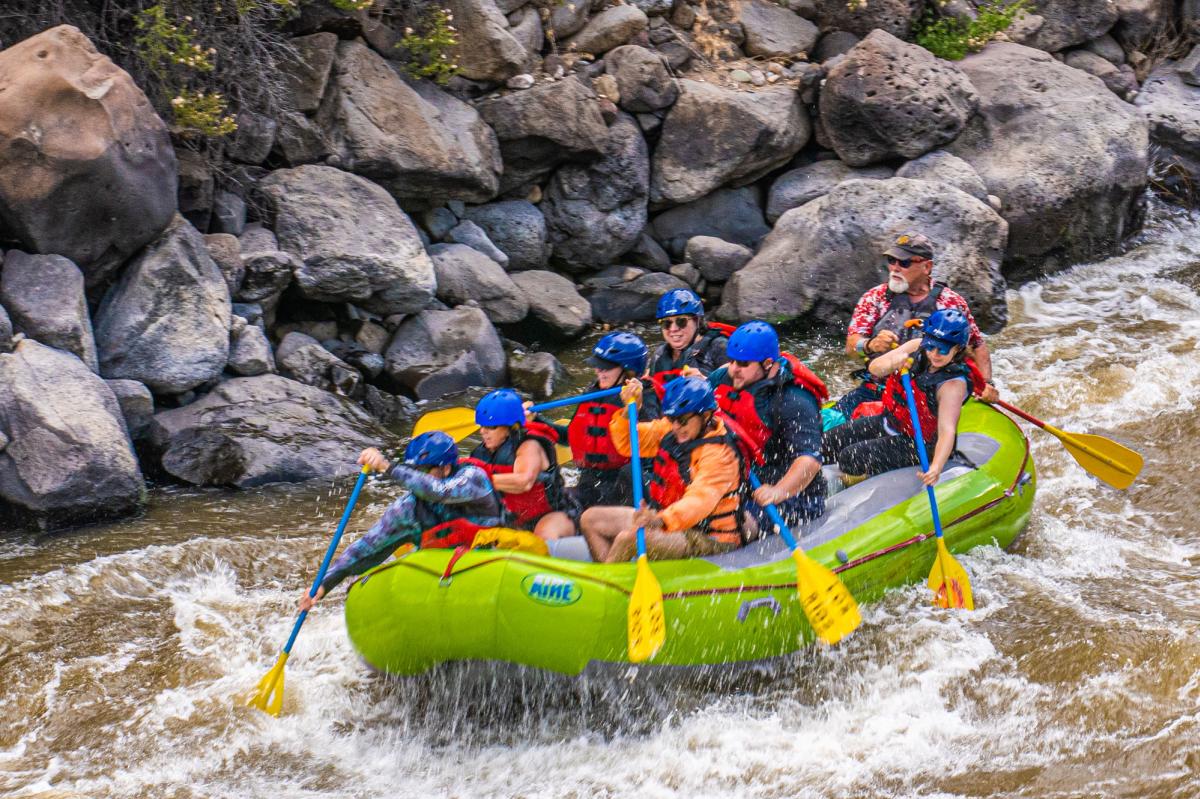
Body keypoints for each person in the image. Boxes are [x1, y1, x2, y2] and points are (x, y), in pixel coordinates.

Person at [298, 432, 506, 611]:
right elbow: (365, 548)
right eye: (413, 471)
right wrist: (324, 585)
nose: (415, 478)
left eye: (423, 471)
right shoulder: (407, 510)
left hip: (491, 565)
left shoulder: (472, 479)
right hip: (444, 581)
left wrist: (386, 466)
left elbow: (437, 491)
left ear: (446, 469)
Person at [833, 231, 998, 420]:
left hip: (927, 396)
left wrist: (986, 383)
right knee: (826, 428)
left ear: (926, 267)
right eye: (891, 261)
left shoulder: (950, 302)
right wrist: (870, 345)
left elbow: (976, 345)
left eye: (904, 263)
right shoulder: (874, 298)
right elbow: (851, 346)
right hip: (877, 389)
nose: (895, 268)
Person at [579, 376, 744, 562]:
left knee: (629, 539)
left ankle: (606, 586)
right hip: (670, 523)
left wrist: (659, 520)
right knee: (590, 519)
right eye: (672, 418)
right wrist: (629, 410)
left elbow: (699, 502)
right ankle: (613, 577)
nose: (675, 426)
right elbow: (627, 443)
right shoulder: (671, 429)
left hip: (713, 538)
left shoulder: (720, 455)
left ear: (706, 416)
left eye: (681, 420)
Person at [823, 308, 974, 485]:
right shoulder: (916, 346)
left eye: (942, 350)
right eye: (931, 346)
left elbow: (947, 430)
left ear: (957, 349)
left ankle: (852, 484)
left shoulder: (952, 385)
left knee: (850, 458)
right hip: (890, 422)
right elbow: (874, 367)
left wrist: (936, 468)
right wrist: (892, 363)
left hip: (920, 444)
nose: (934, 354)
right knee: (827, 443)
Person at [710, 321, 828, 529]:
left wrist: (778, 491)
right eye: (732, 361)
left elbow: (810, 460)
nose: (734, 369)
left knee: (730, 524)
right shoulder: (728, 376)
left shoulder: (794, 399)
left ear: (766, 364)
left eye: (743, 364)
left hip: (796, 494)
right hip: (742, 477)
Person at [552, 332, 660, 509]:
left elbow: (653, 443)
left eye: (606, 367)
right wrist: (537, 422)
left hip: (629, 485)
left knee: (628, 473)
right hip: (592, 483)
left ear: (628, 370)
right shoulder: (591, 394)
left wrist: (636, 408)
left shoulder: (646, 397)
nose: (598, 371)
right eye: (597, 366)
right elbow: (570, 436)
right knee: (557, 499)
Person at [469, 388, 577, 541]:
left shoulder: (529, 445)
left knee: (543, 535)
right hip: (512, 520)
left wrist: (478, 481)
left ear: (509, 428)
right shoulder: (480, 454)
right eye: (482, 426)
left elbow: (524, 482)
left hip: (553, 515)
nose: (483, 432)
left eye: (491, 427)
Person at [648, 288, 732, 394]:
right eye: (666, 323)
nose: (673, 329)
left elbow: (736, 395)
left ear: (697, 321)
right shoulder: (659, 354)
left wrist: (707, 382)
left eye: (681, 321)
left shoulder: (719, 347)